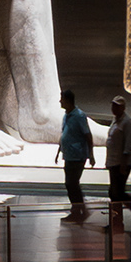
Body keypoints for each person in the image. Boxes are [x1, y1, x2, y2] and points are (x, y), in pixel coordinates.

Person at [55, 87, 92, 222]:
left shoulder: (79, 116)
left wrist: (91, 154)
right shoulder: (66, 116)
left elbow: (87, 135)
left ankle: (80, 210)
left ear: (68, 100)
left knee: (72, 183)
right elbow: (64, 134)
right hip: (69, 155)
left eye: (62, 99)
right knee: (70, 184)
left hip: (77, 155)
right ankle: (77, 210)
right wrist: (59, 151)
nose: (60, 101)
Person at [105, 91, 131, 226]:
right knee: (114, 192)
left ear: (122, 108)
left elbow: (128, 144)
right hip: (113, 162)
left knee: (117, 193)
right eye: (113, 106)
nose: (114, 108)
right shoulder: (115, 121)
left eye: (117, 106)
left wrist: (123, 163)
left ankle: (120, 219)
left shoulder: (127, 123)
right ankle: (115, 221)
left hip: (120, 163)